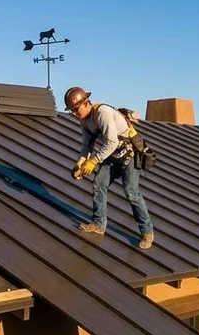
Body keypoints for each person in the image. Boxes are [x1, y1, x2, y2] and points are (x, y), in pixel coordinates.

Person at [65, 86, 155, 249]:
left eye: (76, 109)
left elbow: (112, 142)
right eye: (72, 111)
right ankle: (99, 224)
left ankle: (147, 232)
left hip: (128, 154)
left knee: (131, 193)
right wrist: (80, 162)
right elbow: (86, 145)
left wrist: (93, 161)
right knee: (99, 184)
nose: (75, 113)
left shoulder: (102, 113)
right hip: (111, 155)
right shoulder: (85, 121)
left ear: (86, 103)